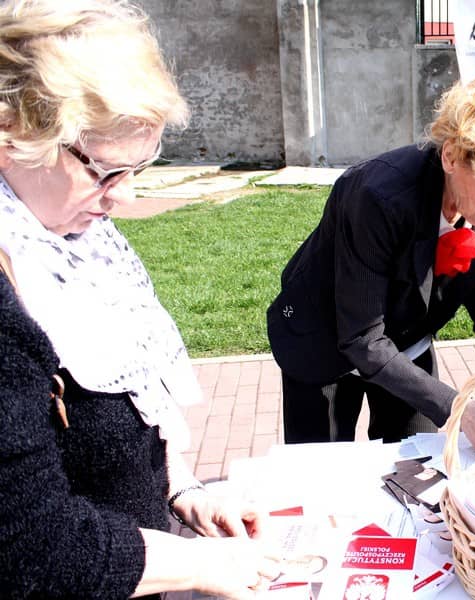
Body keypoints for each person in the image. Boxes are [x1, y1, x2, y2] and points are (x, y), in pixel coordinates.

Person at [0, 1, 281, 597]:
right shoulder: (11, 278)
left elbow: (130, 409)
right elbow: (29, 542)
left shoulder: (73, 235)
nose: (124, 197)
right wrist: (198, 565)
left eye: (140, 167)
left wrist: (183, 490)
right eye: (104, 171)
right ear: (16, 133)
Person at [268, 72, 475, 454]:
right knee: (322, 470)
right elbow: (362, 338)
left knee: (417, 462)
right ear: (451, 156)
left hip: (406, 344)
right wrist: (459, 406)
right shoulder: (378, 197)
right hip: (323, 342)